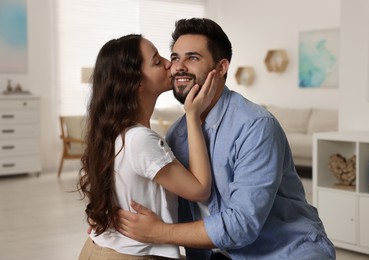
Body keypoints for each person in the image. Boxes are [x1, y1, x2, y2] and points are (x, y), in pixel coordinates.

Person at [117, 18, 336, 260]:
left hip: (283, 252)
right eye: (175, 57)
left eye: (192, 58)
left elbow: (242, 225)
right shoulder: (177, 134)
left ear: (221, 68)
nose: (178, 66)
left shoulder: (255, 126)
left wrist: (160, 233)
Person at [77, 34, 217, 259]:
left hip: (98, 249)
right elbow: (200, 190)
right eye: (157, 61)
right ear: (137, 82)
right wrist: (193, 115)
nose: (169, 64)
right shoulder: (140, 139)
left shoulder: (112, 131)